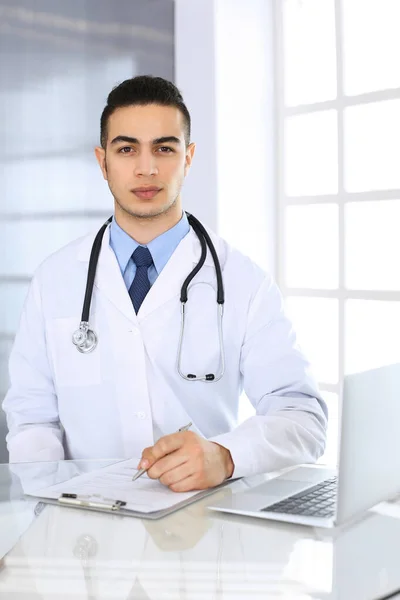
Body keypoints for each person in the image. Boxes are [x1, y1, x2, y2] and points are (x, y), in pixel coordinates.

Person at [3, 75, 327, 492]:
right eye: (126, 149)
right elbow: (32, 418)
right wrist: (46, 508)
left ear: (188, 157)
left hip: (206, 525)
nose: (146, 168)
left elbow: (303, 417)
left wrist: (226, 456)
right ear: (103, 162)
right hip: (84, 532)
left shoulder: (244, 282)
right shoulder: (54, 280)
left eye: (164, 148)